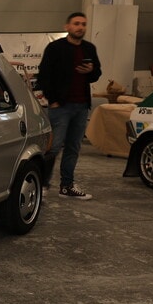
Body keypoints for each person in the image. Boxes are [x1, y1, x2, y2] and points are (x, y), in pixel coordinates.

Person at [38, 11, 102, 200]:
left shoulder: (89, 48)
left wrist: (91, 71)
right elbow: (44, 76)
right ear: (68, 27)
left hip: (81, 106)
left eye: (83, 24)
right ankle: (42, 184)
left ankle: (66, 186)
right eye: (76, 24)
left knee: (73, 148)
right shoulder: (55, 48)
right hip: (61, 107)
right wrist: (53, 100)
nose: (80, 27)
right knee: (54, 147)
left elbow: (96, 74)